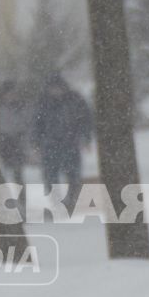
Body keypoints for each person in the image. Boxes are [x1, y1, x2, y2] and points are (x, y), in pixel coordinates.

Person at [31, 72, 93, 201]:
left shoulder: (74, 100)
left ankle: (72, 201)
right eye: (53, 88)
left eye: (58, 87)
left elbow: (85, 119)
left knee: (73, 176)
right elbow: (36, 124)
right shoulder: (43, 103)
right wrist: (35, 143)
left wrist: (86, 138)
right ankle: (56, 202)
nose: (56, 91)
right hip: (50, 145)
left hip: (70, 143)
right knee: (50, 177)